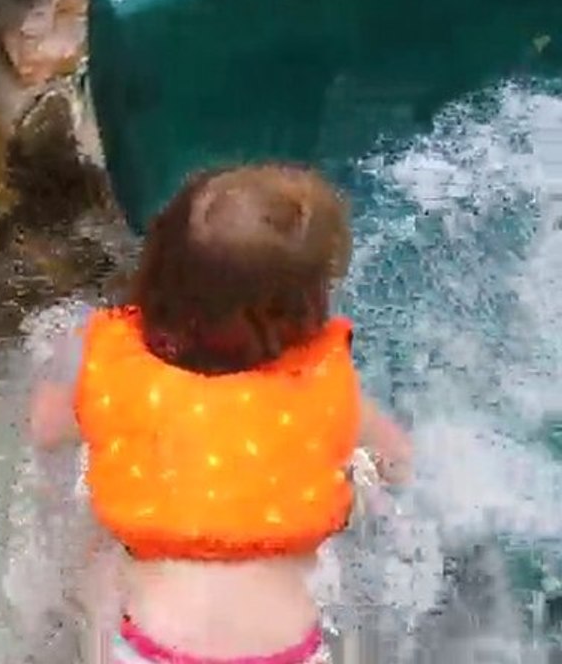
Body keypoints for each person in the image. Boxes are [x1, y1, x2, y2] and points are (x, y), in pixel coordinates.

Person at [25, 163, 412, 663]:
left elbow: (45, 430)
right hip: (289, 650)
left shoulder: (111, 368)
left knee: (99, 551)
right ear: (307, 306)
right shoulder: (323, 387)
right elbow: (398, 460)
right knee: (349, 490)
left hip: (149, 646)